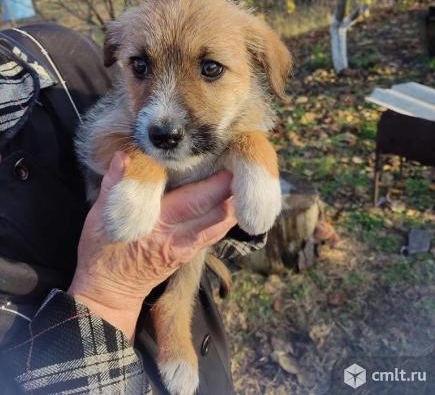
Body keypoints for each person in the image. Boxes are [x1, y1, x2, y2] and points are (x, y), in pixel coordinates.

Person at [0, 23, 266, 394]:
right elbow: (111, 136)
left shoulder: (50, 49)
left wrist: (250, 171)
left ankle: (173, 321)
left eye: (209, 68)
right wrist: (109, 295)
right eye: (140, 67)